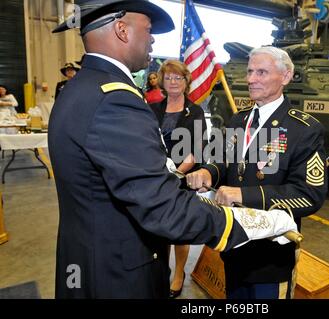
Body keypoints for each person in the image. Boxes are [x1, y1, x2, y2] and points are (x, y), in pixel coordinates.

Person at [49, 0, 297, 299]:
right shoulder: (115, 100)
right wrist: (259, 221)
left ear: (285, 77)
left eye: (262, 73)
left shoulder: (81, 88)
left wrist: (198, 175)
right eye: (149, 29)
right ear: (121, 30)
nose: (153, 39)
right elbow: (164, 207)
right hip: (116, 272)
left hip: (92, 259)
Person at [186, 46, 328, 299]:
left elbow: (309, 194)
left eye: (261, 72)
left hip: (270, 257)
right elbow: (223, 161)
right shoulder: (238, 120)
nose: (251, 79)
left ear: (285, 77)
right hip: (234, 246)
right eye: (250, 71)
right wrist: (209, 172)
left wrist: (242, 195)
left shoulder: (304, 129)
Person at [149, 59, 206, 298]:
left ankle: (179, 273)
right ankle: (162, 269)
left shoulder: (196, 112)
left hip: (182, 178)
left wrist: (177, 173)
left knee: (180, 229)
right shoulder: (153, 109)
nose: (173, 81)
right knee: (158, 228)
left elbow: (197, 149)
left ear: (186, 81)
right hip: (155, 177)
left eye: (178, 77)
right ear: (161, 81)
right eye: (168, 77)